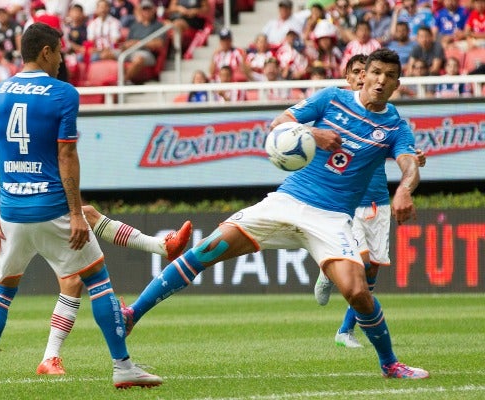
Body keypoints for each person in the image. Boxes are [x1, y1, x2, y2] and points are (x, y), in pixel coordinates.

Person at [121, 48, 430, 380]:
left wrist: (403, 189)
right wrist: (313, 133)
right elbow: (280, 123)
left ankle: (390, 364)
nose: (381, 80)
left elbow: (409, 164)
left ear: (398, 82)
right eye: (376, 72)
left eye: (389, 75)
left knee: (358, 292)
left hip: (332, 219)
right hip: (287, 200)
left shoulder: (396, 126)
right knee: (208, 248)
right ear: (363, 74)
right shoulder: (330, 99)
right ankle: (132, 315)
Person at [0, 23, 165, 392]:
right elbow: (66, 154)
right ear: (45, 52)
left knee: (1, 291)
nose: (61, 60)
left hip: (10, 211)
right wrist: (76, 213)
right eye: (58, 52)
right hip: (52, 207)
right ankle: (123, 366)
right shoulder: (63, 94)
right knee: (98, 281)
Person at [0, 85, 191, 380]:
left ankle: (4, 367)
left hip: (16, 216)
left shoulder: (9, 129)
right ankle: (116, 364)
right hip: (17, 217)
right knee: (90, 273)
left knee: (61, 271)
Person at [313, 54, 427, 348]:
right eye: (359, 72)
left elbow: (397, 151)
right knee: (360, 263)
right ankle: (329, 269)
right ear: (351, 78)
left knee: (373, 269)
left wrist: (413, 159)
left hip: (378, 202)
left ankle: (345, 331)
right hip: (346, 203)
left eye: (371, 72)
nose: (366, 77)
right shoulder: (337, 111)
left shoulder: (387, 121)